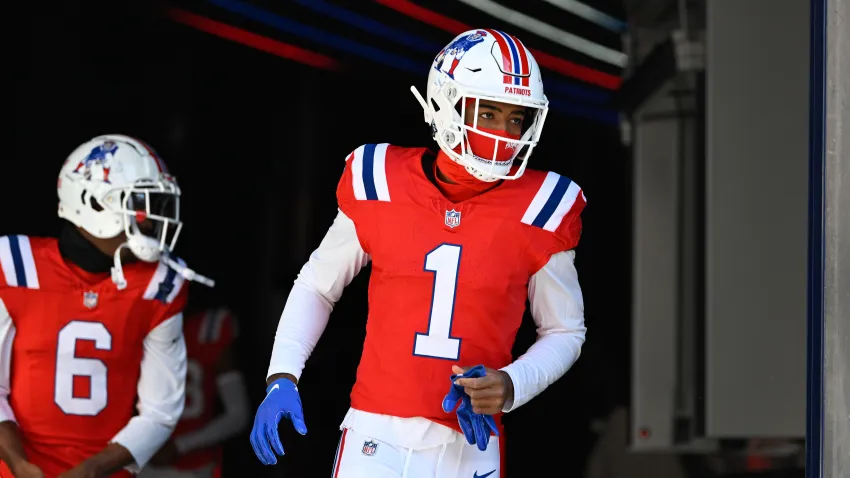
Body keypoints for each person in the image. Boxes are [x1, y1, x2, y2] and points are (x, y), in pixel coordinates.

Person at [250, 29, 588, 478]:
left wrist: (510, 384)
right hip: (374, 430)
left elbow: (566, 329)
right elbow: (318, 285)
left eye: (515, 118)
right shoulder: (380, 178)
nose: (505, 134)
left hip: (469, 440)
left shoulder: (543, 206)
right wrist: (282, 375)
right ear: (446, 102)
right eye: (488, 112)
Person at [0, 135, 213, 478]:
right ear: (95, 203)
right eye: (142, 205)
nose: (152, 220)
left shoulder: (160, 283)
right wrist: (18, 463)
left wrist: (91, 470)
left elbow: (159, 412)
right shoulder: (15, 266)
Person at [142, 302, 249, 478]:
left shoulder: (208, 328)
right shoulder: (137, 323)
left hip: (190, 467)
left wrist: (181, 445)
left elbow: (238, 414)